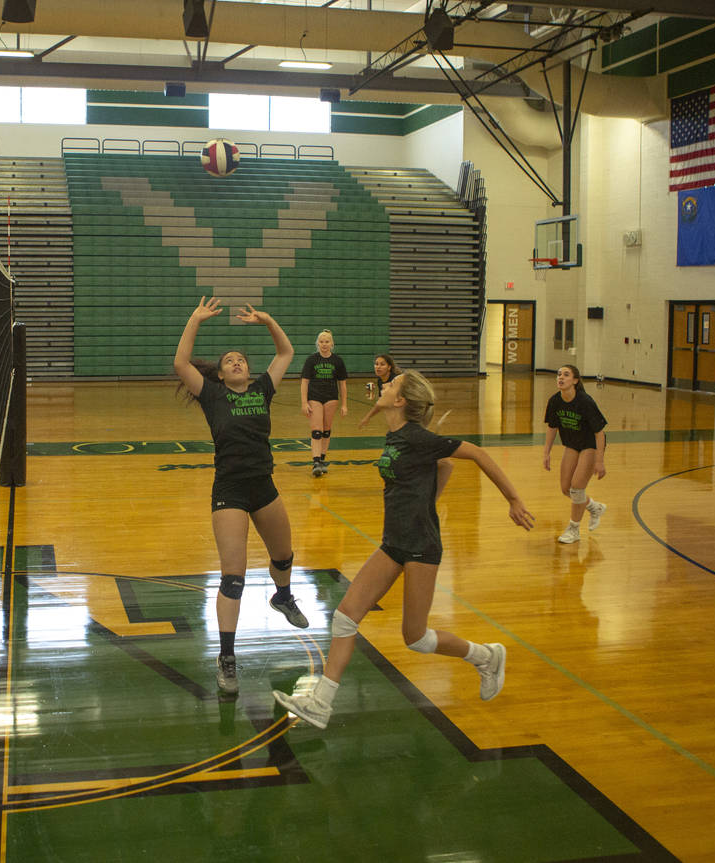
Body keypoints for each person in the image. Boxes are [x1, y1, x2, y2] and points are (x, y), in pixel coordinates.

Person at [272, 370, 535, 729]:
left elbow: (474, 454)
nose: (384, 385)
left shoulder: (417, 437)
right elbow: (444, 467)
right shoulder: (395, 434)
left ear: (401, 402)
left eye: (391, 385)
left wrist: (514, 499)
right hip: (393, 542)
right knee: (345, 617)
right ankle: (321, 703)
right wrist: (429, 497)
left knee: (417, 638)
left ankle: (486, 656)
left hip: (421, 546)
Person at [174, 296, 309, 696]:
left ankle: (282, 597)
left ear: (249, 371)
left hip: (264, 487)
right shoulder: (212, 395)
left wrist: (268, 319)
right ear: (219, 373)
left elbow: (286, 352)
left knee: (283, 556)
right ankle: (227, 659)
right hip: (230, 490)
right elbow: (181, 364)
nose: (236, 362)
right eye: (229, 360)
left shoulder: (264, 388)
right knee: (234, 577)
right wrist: (194, 318)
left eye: (241, 360)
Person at [542, 364, 607, 544]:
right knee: (566, 489)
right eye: (559, 374)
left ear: (575, 381)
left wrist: (600, 461)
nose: (560, 378)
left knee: (577, 488)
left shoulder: (585, 401)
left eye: (566, 375)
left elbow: (600, 432)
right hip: (572, 444)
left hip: (590, 446)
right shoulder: (555, 401)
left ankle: (574, 529)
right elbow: (552, 427)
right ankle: (594, 507)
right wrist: (546, 452)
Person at [300, 330, 348, 477]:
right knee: (317, 430)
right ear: (317, 343)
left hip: (331, 397)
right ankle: (315, 462)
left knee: (326, 430)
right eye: (321, 341)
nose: (324, 344)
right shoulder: (311, 360)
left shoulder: (337, 361)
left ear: (332, 344)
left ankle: (322, 459)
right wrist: (304, 402)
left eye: (327, 341)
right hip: (314, 397)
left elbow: (343, 384)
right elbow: (304, 382)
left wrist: (344, 404)